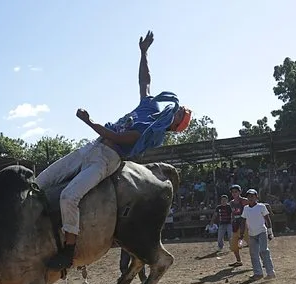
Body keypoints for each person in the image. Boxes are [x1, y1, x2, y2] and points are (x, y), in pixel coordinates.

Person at [36, 31, 192, 270]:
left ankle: (69, 249)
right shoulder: (150, 106)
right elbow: (145, 81)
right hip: (93, 147)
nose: (178, 111)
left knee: (70, 196)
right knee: (40, 181)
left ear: (175, 125)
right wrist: (143, 52)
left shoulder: (153, 133)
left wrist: (89, 122)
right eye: (180, 111)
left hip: (108, 158)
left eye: (180, 115)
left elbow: (117, 137)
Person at [240, 189, 276, 280]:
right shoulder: (246, 208)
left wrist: (270, 232)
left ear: (256, 197)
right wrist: (241, 234)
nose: (250, 198)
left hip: (261, 232)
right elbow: (243, 221)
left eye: (252, 196)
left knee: (264, 251)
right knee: (253, 254)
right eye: (249, 196)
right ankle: (258, 273)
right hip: (252, 234)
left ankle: (270, 272)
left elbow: (267, 219)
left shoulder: (261, 206)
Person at [228, 185, 249, 267]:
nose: (234, 193)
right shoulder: (231, 203)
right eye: (232, 192)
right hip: (236, 225)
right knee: (233, 245)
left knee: (252, 244)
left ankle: (262, 260)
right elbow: (232, 214)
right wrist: (232, 221)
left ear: (240, 192)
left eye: (236, 191)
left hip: (245, 224)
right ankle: (238, 261)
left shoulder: (245, 201)